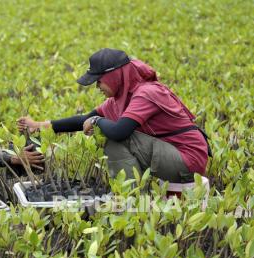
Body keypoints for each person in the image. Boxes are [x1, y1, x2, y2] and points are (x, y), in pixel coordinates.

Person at [17, 48, 210, 184]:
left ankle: (130, 201)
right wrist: (40, 125)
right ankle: (131, 196)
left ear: (113, 76)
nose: (97, 87)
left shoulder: (147, 93)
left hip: (188, 159)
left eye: (98, 81)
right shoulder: (122, 98)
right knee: (110, 132)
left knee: (117, 141)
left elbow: (119, 132)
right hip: (171, 154)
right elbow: (83, 118)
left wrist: (96, 121)